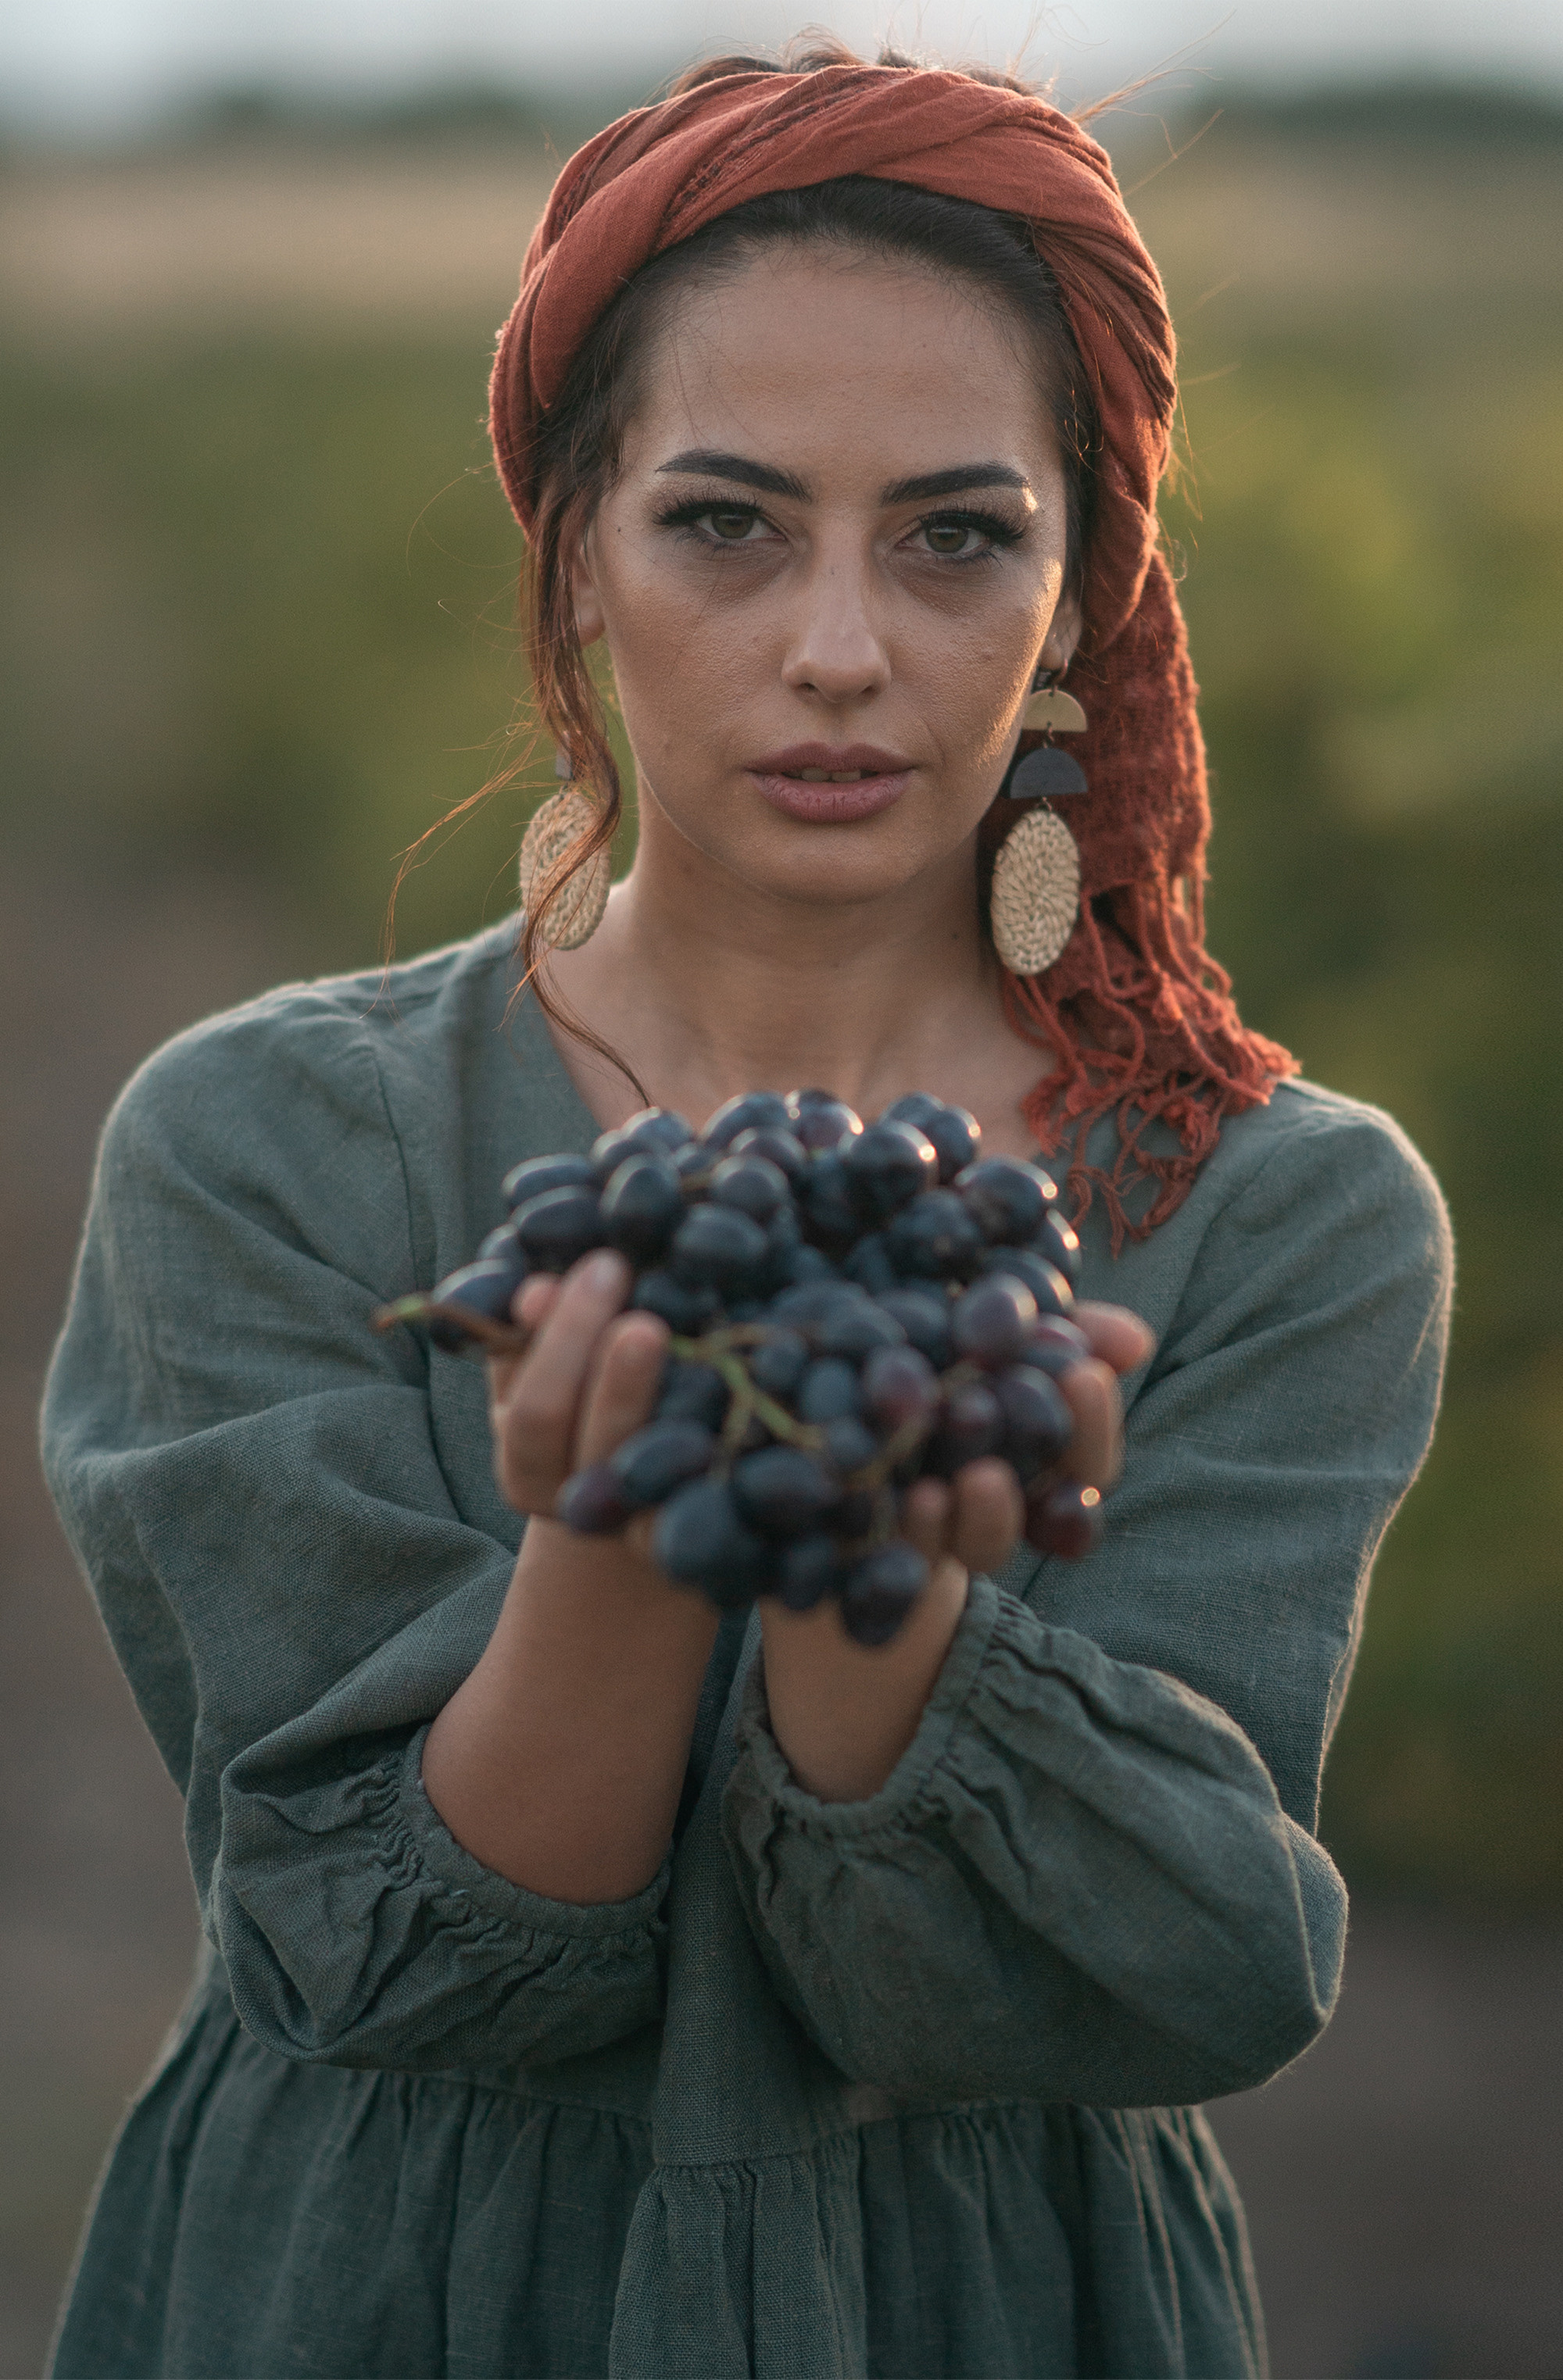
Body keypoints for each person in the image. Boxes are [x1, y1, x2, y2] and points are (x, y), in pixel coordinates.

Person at [40, 38, 1451, 2380]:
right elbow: (388, 1966)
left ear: (1083, 592)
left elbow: (1182, 1979)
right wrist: (630, 1532)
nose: (838, 649)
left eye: (956, 534)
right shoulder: (266, 1145)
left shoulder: (1273, 1212)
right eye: (727, 523)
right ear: (576, 551)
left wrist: (863, 1596)